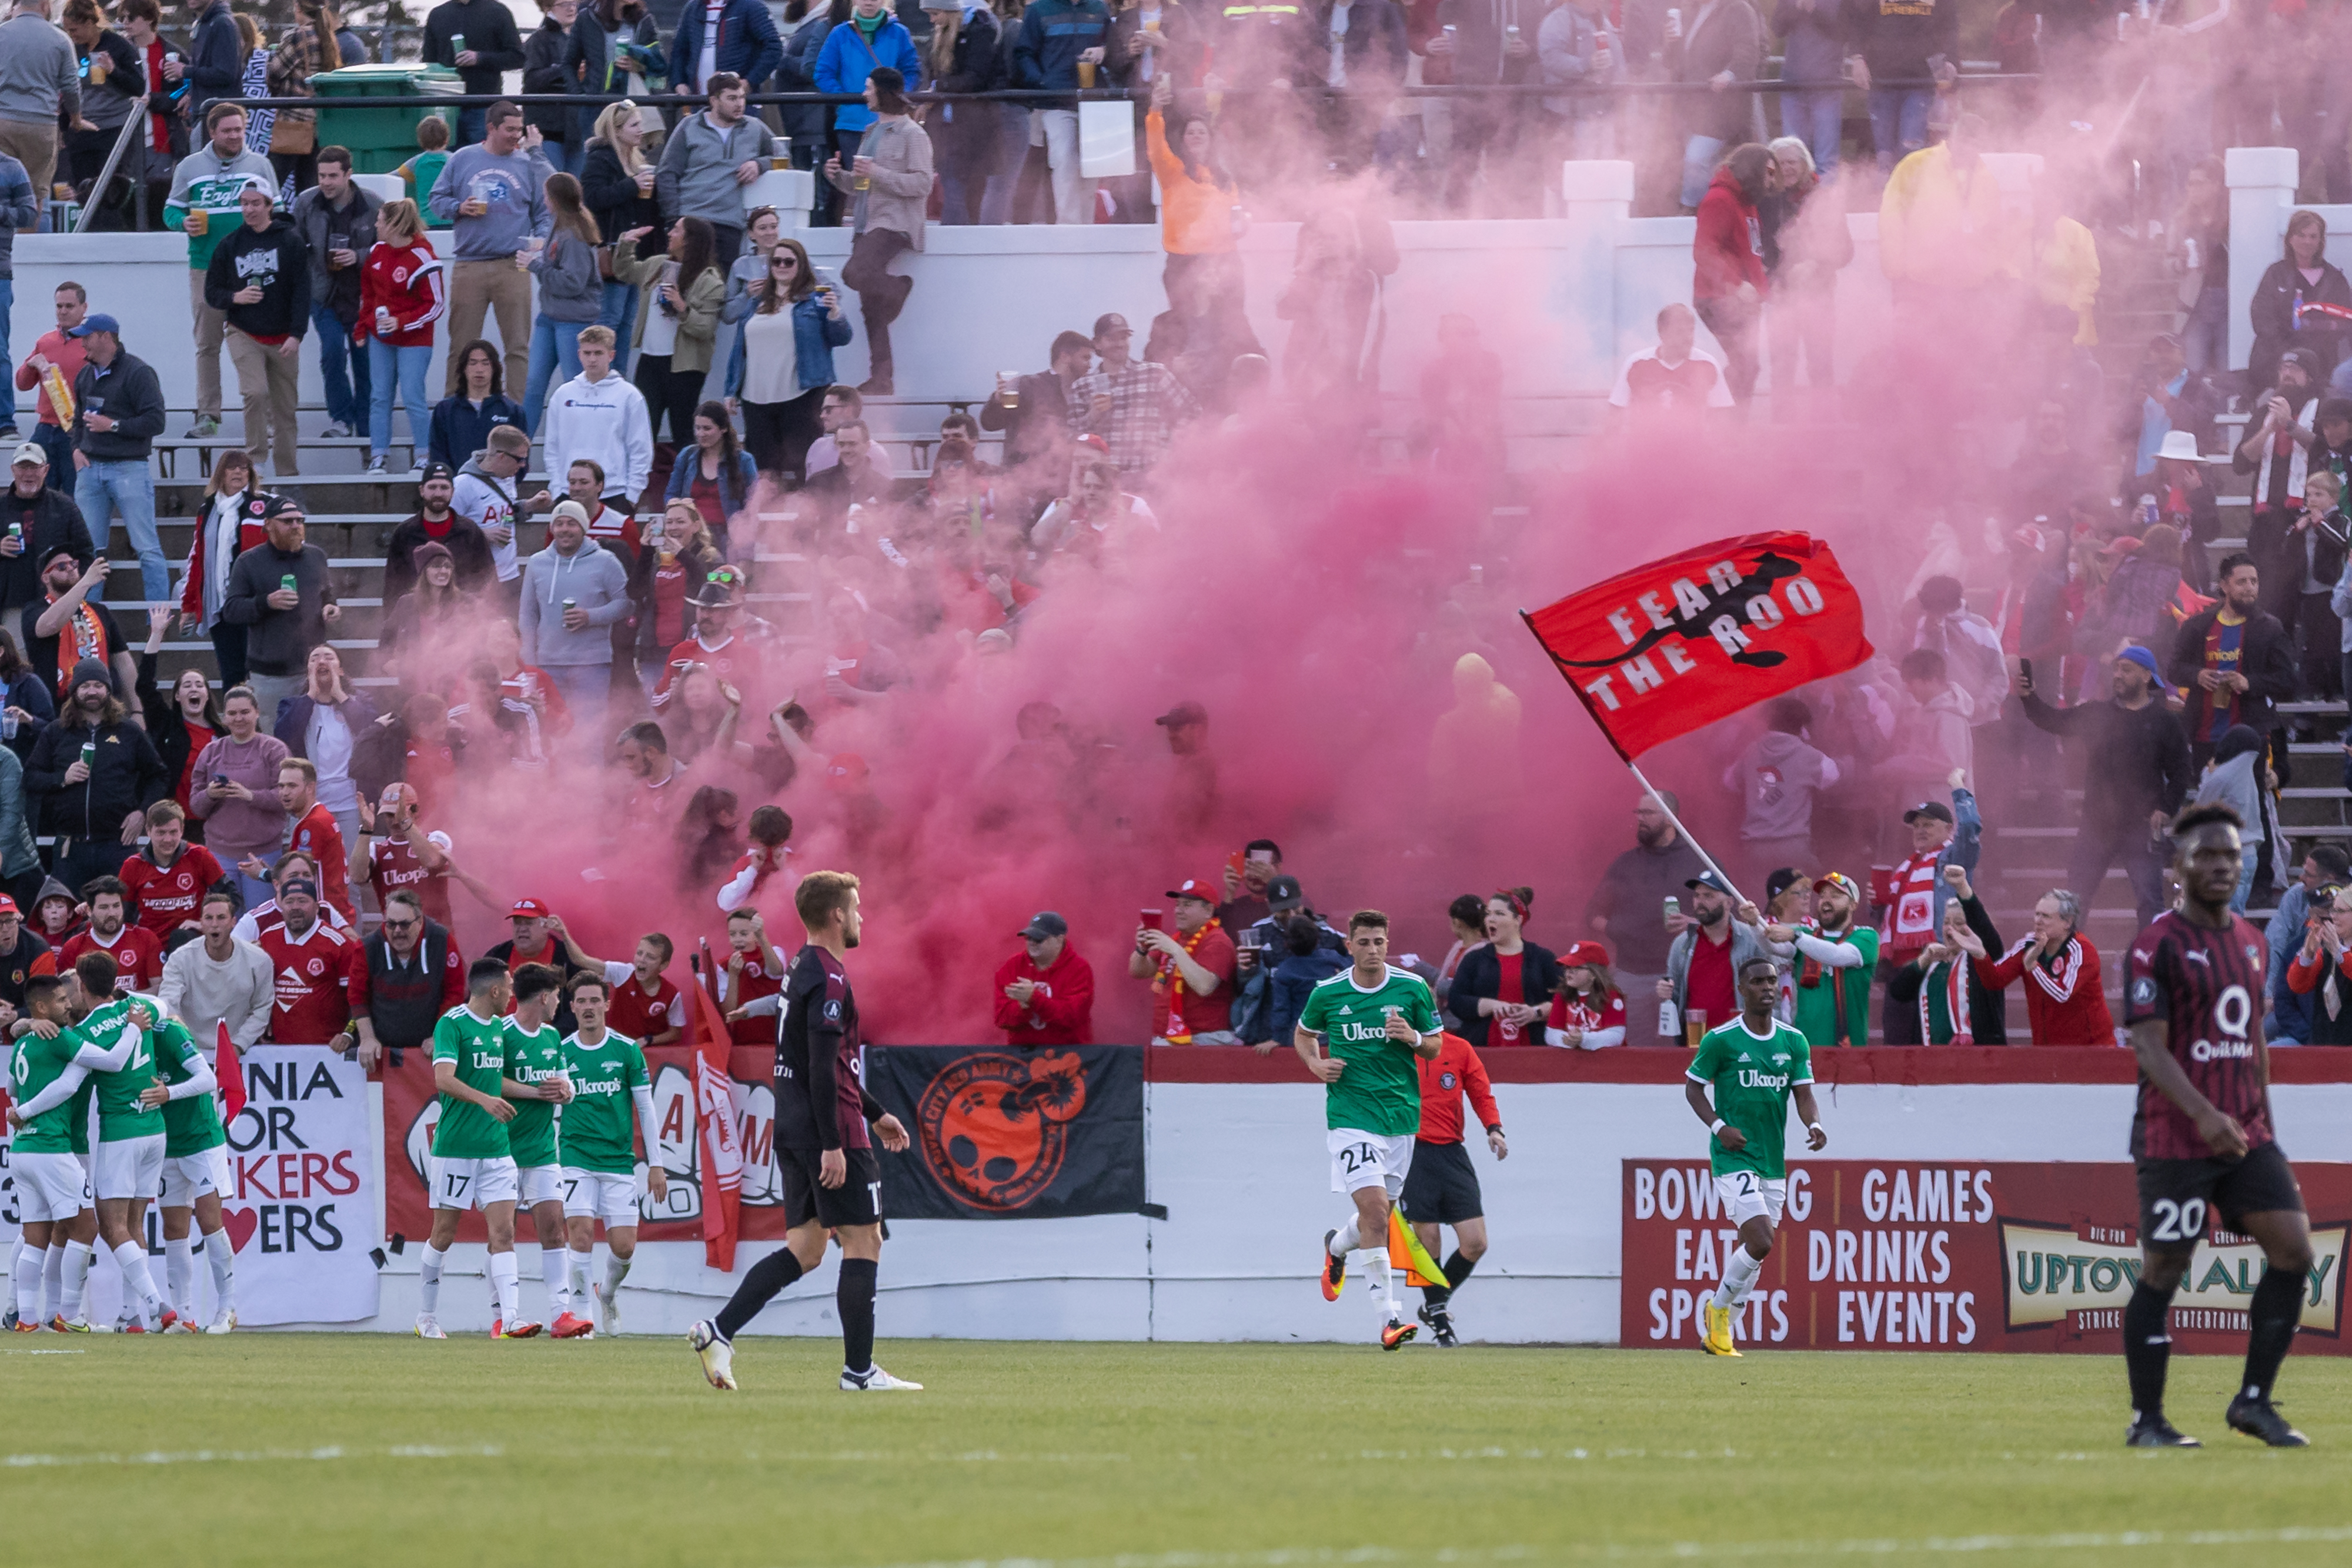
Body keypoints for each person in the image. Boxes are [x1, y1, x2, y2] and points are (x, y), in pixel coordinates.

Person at [2117, 803, 2314, 1447]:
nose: (2220, 866)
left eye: (2229, 855)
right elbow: (2149, 1047)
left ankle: (2253, 1402)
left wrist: (2262, 1122)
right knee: (2165, 1269)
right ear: (2178, 867)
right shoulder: (2155, 945)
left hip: (2245, 1135)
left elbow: (2254, 1037)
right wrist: (2204, 1117)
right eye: (2206, 855)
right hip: (2176, 1137)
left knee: (2293, 1250)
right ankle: (2148, 1420)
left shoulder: (2253, 944)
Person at [690, 871, 921, 1393]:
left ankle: (719, 1330)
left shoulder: (801, 965)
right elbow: (823, 1066)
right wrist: (836, 1142)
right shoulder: (831, 976)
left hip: (792, 1123)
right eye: (856, 907)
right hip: (825, 1129)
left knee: (807, 1247)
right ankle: (859, 1372)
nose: (861, 915)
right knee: (865, 1239)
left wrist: (876, 1110)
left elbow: (817, 1062)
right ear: (837, 914)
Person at [1297, 909, 1442, 1351]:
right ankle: (1390, 1320)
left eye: (1380, 941)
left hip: (1400, 1119)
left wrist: (1413, 1038)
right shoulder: (1328, 992)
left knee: (1375, 1219)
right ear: (1348, 944)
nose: (1373, 950)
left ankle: (1337, 1246)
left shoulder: (1411, 988)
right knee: (1378, 1214)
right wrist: (1316, 1063)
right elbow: (1304, 1035)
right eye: (1364, 942)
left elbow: (1436, 1045)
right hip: (1351, 1117)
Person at [1686, 955, 1826, 1356]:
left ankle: (1723, 1330)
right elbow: (1693, 1088)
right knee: (1761, 1240)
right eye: (1758, 981)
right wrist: (1719, 1127)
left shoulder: (1793, 1040)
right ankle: (1716, 1311)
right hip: (1733, 1156)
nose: (1767, 987)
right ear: (1742, 989)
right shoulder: (1721, 1039)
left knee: (1757, 1252)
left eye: (1772, 980)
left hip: (1774, 1161)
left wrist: (1814, 1125)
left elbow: (1804, 1094)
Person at [6, 971, 152, 1332]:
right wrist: (134, 1028)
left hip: (24, 1149)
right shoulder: (63, 1038)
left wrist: (21, 1110)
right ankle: (69, 1314)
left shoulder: (25, 1042)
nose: (69, 1002)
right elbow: (112, 1062)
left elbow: (11, 1084)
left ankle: (24, 1316)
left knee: (34, 1234)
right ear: (44, 1006)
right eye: (60, 998)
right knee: (86, 1227)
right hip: (54, 1148)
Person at [2013, 648, 2191, 931]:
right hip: (2096, 827)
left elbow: (2182, 772)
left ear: (2147, 676)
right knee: (2074, 901)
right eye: (2117, 668)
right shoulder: (2096, 713)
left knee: (2150, 902)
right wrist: (2028, 696)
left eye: (2127, 669)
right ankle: (2069, 963)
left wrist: (2166, 808)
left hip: (2141, 827)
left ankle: (2152, 965)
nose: (2118, 675)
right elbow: (2051, 720)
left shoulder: (2164, 722)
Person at [417, 959, 534, 1340]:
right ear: (495, 991)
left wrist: (537, 1091)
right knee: (444, 1233)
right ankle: (426, 1317)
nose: (514, 994)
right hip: (456, 1147)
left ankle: (511, 1317)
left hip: (497, 1150)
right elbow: (444, 1079)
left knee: (504, 1234)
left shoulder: (500, 1028)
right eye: (511, 986)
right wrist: (485, 1100)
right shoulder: (452, 1023)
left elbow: (493, 1079)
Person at [557, 969, 665, 1335]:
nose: (589, 1008)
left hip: (619, 1162)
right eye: (582, 1001)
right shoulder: (561, 1051)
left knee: (624, 1248)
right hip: (575, 1158)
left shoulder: (626, 1050)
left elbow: (646, 1109)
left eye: (594, 1001)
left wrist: (657, 1164)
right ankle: (583, 1319)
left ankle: (607, 1292)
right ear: (572, 1007)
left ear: (607, 1004)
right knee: (581, 1233)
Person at [427, 101, 551, 400]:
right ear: (491, 128)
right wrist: (460, 207)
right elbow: (435, 201)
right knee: (461, 345)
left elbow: (546, 212)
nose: (516, 136)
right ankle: (454, 412)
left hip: (515, 264)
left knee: (518, 347)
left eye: (519, 130)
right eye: (509, 129)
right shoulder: (462, 159)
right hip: (470, 265)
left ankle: (517, 417)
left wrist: (541, 242)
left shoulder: (527, 163)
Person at [164, 106, 275, 441]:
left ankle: (265, 418)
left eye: (239, 129)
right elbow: (171, 210)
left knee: (261, 340)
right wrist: (183, 223)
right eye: (227, 130)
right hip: (206, 266)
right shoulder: (190, 166)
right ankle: (209, 416)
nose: (235, 136)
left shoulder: (260, 165)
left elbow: (280, 212)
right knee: (207, 344)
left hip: (251, 267)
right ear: (212, 133)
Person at [820, 69, 928, 399]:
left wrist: (877, 173)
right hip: (867, 223)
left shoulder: (913, 134)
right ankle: (882, 378)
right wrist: (839, 178)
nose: (864, 94)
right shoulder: (872, 132)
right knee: (873, 311)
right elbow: (864, 184)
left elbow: (922, 183)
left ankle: (899, 286)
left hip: (894, 223)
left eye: (868, 89)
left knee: (854, 273)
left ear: (883, 92)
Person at [1401, 1026, 1502, 1348]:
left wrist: (1494, 1128)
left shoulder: (1460, 1048)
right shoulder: (1394, 1047)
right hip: (1411, 1151)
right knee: (1427, 1239)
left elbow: (1480, 1091)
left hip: (1451, 1152)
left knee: (1476, 1242)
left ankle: (1434, 1304)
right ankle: (1442, 1323)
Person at [28, 657, 165, 894]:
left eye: (98, 685)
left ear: (108, 690)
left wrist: (143, 813)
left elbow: (158, 775)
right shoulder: (56, 732)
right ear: (74, 691)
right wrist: (62, 778)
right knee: (68, 920)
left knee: (118, 916)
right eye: (85, 686)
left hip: (117, 844)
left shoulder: (129, 731)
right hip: (71, 847)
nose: (92, 691)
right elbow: (31, 777)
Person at [205, 181, 310, 479]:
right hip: (244, 331)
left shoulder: (290, 241)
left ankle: (288, 474)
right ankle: (256, 461)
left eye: (255, 203)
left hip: (283, 337)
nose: (249, 210)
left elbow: (302, 290)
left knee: (285, 409)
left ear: (269, 206)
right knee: (254, 392)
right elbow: (212, 291)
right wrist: (235, 297)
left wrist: (297, 334)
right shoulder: (230, 244)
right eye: (245, 203)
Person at [727, 239, 850, 479]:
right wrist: (731, 390)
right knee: (763, 472)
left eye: (789, 261)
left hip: (802, 395)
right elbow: (739, 350)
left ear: (801, 265)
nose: (782, 265)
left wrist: (835, 313)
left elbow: (842, 338)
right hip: (756, 398)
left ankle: (809, 515)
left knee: (804, 465)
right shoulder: (755, 303)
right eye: (776, 261)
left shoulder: (815, 301)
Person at [64, 314, 166, 604]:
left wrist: (114, 426)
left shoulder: (138, 372)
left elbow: (157, 421)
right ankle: (90, 621)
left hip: (129, 468)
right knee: (89, 551)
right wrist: (76, 448)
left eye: (88, 336)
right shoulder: (86, 375)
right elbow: (77, 420)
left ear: (106, 337)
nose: (83, 343)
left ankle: (156, 619)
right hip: (90, 469)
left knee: (147, 548)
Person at [2168, 553, 2297, 766]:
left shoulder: (2270, 627)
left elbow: (2287, 679)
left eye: (2254, 582)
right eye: (2242, 582)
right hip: (2205, 735)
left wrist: (2250, 683)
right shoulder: (2198, 626)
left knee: (2249, 800)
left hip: (2252, 736)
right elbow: (2173, 669)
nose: (2249, 587)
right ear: (2224, 586)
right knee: (2208, 800)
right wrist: (2197, 675)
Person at [607, 218, 724, 447]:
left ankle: (690, 480)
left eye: (677, 231)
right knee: (642, 428)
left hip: (685, 366)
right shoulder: (658, 265)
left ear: (690, 240)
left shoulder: (710, 281)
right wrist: (626, 244)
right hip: (650, 360)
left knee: (684, 431)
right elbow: (624, 272)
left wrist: (681, 306)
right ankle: (643, 481)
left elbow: (705, 329)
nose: (670, 234)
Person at [519, 500, 631, 735]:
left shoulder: (606, 561)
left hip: (592, 665)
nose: (564, 529)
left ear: (584, 527)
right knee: (551, 733)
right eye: (559, 524)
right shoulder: (537, 563)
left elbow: (626, 604)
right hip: (548, 664)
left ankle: (590, 774)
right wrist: (529, 662)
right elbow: (527, 616)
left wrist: (590, 617)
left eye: (571, 523)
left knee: (588, 735)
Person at [221, 496, 338, 721]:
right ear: (269, 525)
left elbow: (327, 594)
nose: (296, 526)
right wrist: (266, 602)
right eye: (288, 521)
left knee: (317, 741)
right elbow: (232, 610)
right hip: (270, 675)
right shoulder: (249, 561)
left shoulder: (316, 556)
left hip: (312, 669)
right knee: (275, 744)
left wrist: (331, 607)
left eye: (299, 521)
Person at [288, 148, 376, 443]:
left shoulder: (374, 205)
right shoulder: (306, 203)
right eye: (322, 175)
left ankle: (365, 429)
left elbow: (391, 247)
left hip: (365, 298)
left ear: (349, 175)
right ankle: (341, 418)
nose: (326, 182)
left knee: (366, 365)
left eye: (333, 176)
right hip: (323, 295)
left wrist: (358, 256)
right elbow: (294, 245)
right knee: (332, 353)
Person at [356, 199, 444, 477]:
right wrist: (363, 327)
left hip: (414, 340)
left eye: (380, 220)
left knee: (413, 396)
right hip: (381, 338)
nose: (376, 225)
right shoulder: (377, 252)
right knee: (379, 397)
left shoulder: (423, 257)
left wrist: (402, 322)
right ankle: (379, 454)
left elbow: (436, 305)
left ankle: (423, 455)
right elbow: (368, 296)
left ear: (394, 225)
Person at [655, 73, 774, 266]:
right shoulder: (689, 126)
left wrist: (760, 165)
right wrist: (674, 218)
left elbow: (784, 157)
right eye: (732, 98)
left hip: (729, 224)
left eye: (742, 97)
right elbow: (667, 172)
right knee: (684, 285)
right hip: (690, 219)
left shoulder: (755, 128)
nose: (740, 104)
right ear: (714, 100)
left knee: (721, 290)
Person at [1725, 697, 1838, 894]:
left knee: (1758, 907)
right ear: (1802, 726)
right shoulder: (1808, 755)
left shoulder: (1751, 751)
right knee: (1797, 905)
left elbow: (1729, 781)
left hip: (1755, 846)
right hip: (1793, 844)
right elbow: (1833, 776)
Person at [580, 99, 661, 373]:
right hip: (612, 252)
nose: (641, 130)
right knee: (610, 322)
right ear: (616, 130)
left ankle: (619, 380)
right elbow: (591, 198)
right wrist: (632, 185)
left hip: (633, 253)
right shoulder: (600, 157)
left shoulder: (636, 160)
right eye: (634, 125)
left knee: (628, 326)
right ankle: (600, 378)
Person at [186, 685, 285, 908]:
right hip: (220, 853)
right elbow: (196, 806)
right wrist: (210, 795)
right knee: (228, 921)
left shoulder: (273, 749)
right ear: (224, 717)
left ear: (257, 713)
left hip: (263, 853)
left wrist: (250, 796)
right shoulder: (211, 752)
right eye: (232, 713)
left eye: (245, 712)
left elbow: (286, 798)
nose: (238, 718)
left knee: (260, 921)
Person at [523, 171, 605, 436]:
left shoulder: (574, 236)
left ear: (555, 200)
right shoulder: (561, 227)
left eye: (546, 196)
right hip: (550, 318)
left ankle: (583, 442)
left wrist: (536, 266)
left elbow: (573, 283)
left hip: (573, 321)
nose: (544, 200)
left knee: (576, 384)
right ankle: (518, 450)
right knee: (534, 384)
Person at [1976, 887, 2113, 1045]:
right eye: (2037, 914)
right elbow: (1995, 981)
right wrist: (1980, 955)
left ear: (2067, 922)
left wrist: (2034, 967)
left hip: (2091, 1049)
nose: (2038, 921)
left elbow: (2063, 994)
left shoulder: (2082, 950)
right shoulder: (2027, 945)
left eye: (2046, 916)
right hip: (2045, 1049)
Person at [1690, 142, 1772, 406]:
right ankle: (1723, 422)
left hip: (1742, 302)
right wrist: (1737, 285)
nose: (1772, 181)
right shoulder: (1719, 200)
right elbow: (1704, 251)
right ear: (1753, 170)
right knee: (1744, 366)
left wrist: (1760, 289)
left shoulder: (1747, 202)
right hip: (1717, 299)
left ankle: (1729, 424)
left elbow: (1749, 252)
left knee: (1747, 367)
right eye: (1768, 173)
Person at [1074, 310, 1197, 483]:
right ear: (1097, 344)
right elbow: (1073, 439)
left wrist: (1168, 446)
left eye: (1123, 338)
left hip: (1151, 476)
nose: (1119, 344)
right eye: (1111, 338)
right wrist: (1093, 415)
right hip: (1107, 483)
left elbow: (1192, 412)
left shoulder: (1154, 373)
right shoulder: (1083, 386)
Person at [2248, 209, 2352, 397]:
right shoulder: (2275, 274)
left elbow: (2345, 319)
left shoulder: (2335, 279)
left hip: (2321, 366)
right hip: (2276, 364)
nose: (2307, 241)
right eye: (2301, 235)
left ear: (2321, 241)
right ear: (2290, 238)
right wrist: (2288, 353)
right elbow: (2262, 317)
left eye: (2313, 236)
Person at [159, 887, 272, 1058]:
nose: (214, 924)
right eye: (209, 918)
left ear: (233, 922)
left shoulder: (259, 960)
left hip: (238, 1053)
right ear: (201, 923)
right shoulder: (180, 959)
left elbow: (262, 1009)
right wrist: (183, 1041)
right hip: (189, 1049)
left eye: (221, 918)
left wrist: (238, 1045)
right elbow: (168, 1002)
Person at [1765, 870, 1873, 1049]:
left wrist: (1795, 936)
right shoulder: (1807, 935)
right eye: (1823, 896)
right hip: (1805, 1050)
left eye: (1837, 896)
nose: (1826, 901)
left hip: (1850, 1049)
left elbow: (1838, 956)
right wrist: (1755, 924)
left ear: (1854, 905)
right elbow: (1773, 947)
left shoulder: (1866, 936)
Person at [1130, 874, 1236, 1045]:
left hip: (1203, 1039)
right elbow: (1138, 972)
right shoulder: (1176, 940)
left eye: (1187, 905)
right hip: (1166, 1038)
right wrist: (1141, 948)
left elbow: (1204, 986)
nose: (1178, 910)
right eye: (1178, 905)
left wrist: (1175, 951)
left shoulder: (1218, 941)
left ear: (1208, 910)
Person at [1447, 889, 1559, 1048]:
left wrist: (1535, 1013)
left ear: (1518, 920)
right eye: (1488, 914)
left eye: (1499, 914)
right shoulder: (1474, 959)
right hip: (1483, 1048)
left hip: (1533, 1049)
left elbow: (1566, 1000)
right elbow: (1456, 1001)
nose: (1491, 919)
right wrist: (1491, 1005)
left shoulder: (1543, 958)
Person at [452, 423, 542, 609]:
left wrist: (529, 506)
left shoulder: (507, 478)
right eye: (519, 459)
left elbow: (504, 514)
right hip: (478, 581)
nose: (523, 465)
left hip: (510, 576)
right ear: (501, 457)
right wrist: (482, 534)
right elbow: (445, 528)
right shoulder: (463, 485)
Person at [0, 0, 76, 219]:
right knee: (34, 196)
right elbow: (71, 87)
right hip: (40, 124)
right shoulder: (60, 39)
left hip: (3, 120)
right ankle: (26, 249)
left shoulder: (2, 33)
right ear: (44, 5)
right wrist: (76, 117)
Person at [1605, 302, 1733, 422]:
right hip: (1644, 443)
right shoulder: (1637, 364)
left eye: (1691, 330)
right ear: (1662, 333)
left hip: (1692, 444)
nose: (1688, 337)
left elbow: (1723, 420)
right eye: (1680, 331)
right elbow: (1615, 415)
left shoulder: (1707, 365)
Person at [1, 443, 90, 615]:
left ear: (46, 470)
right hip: (9, 604)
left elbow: (85, 552)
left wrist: (72, 590)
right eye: (23, 467)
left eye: (35, 467)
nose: (28, 474)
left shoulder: (65, 507)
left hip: (57, 603)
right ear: (13, 470)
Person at [118, 800, 223, 945]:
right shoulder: (133, 865)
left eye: (173, 832)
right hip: (150, 944)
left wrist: (206, 924)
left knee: (180, 937)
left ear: (182, 830)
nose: (168, 840)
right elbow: (124, 916)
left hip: (191, 942)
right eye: (161, 833)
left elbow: (230, 897)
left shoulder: (199, 856)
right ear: (148, 831)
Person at [14, 282, 88, 487]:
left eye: (69, 306)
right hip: (46, 428)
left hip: (76, 429)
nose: (63, 312)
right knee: (41, 494)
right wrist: (32, 365)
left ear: (84, 307)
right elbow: (22, 384)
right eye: (59, 306)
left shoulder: (91, 342)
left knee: (75, 495)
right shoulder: (46, 342)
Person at [423, 0, 524, 146]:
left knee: (481, 162)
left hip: (483, 106)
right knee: (445, 163)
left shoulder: (498, 12)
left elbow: (517, 58)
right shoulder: (438, 15)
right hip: (445, 107)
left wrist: (480, 58)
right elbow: (428, 63)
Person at [994, 909, 1094, 1045]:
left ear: (1059, 940)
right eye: (1029, 937)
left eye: (1039, 939)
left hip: (1068, 1056)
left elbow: (1071, 1017)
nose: (1032, 943)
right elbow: (1001, 1019)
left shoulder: (1080, 969)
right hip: (1022, 1056)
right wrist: (1023, 1007)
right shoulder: (1012, 966)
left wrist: (1033, 998)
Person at [426, 340, 524, 475]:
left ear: (495, 368)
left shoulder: (512, 411)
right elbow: (438, 454)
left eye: (485, 363)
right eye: (473, 363)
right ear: (464, 368)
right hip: (457, 489)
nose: (479, 369)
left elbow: (521, 457)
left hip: (499, 490)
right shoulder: (445, 410)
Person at [59, 874, 162, 996]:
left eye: (116, 906)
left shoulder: (146, 938)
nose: (112, 913)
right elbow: (68, 996)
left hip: (139, 1011)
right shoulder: (73, 947)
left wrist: (124, 999)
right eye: (104, 908)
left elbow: (159, 988)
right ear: (89, 911)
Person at [2283, 883, 2352, 1046]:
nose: (2333, 916)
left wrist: (2340, 952)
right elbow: (2298, 985)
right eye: (2333, 910)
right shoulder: (2328, 949)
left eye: (2340, 911)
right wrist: (2308, 954)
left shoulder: (2336, 948)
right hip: (2327, 1040)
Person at [1542, 941, 1627, 1048]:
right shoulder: (1562, 995)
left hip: (1608, 1062)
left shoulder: (1611, 997)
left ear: (1594, 973)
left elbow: (1616, 1036)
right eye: (1567, 967)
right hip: (1573, 1062)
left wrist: (1583, 1039)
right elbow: (1551, 1033)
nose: (1569, 972)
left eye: (1576, 968)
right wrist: (1569, 1041)